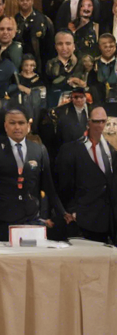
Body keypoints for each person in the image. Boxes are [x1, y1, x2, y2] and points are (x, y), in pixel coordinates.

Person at [0, 107, 66, 242]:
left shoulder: (38, 150)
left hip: (30, 218)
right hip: (0, 219)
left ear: (28, 126)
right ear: (5, 126)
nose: (17, 127)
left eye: (21, 123)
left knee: (28, 260)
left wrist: (63, 212)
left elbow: (48, 186)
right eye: (12, 123)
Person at [54, 104, 115, 243]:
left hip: (110, 218)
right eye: (96, 121)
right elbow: (63, 185)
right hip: (83, 218)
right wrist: (71, 210)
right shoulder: (71, 150)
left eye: (103, 121)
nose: (100, 125)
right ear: (88, 122)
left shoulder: (112, 149)